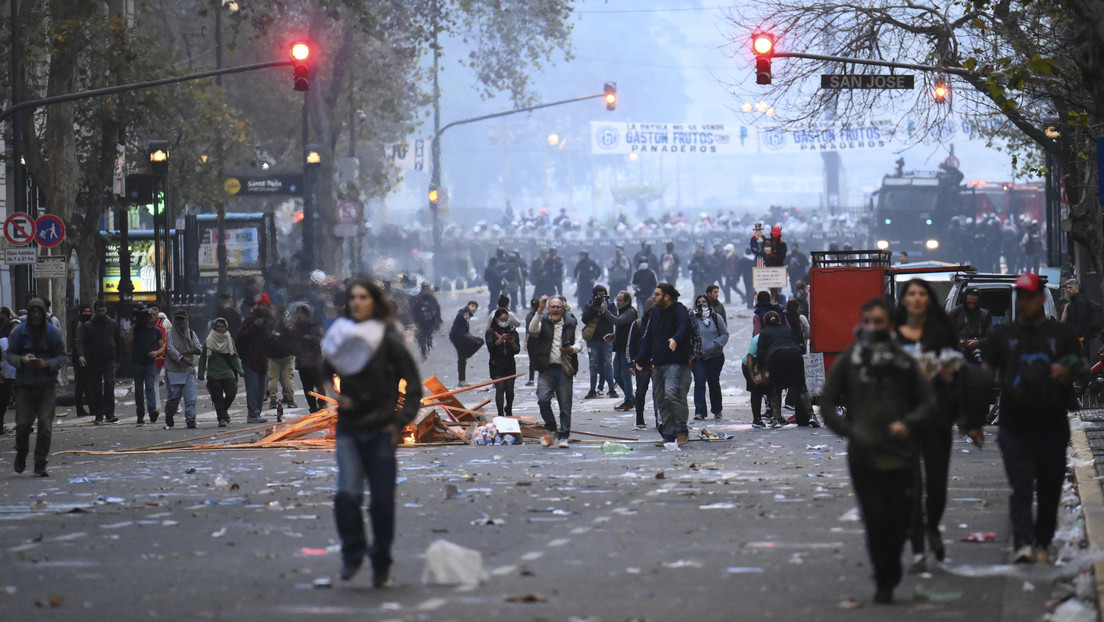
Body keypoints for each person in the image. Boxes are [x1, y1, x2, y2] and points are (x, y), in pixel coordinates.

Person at [820, 298, 935, 604]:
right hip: (864, 457)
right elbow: (827, 402)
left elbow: (928, 402)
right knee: (875, 519)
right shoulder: (851, 360)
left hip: (900, 456)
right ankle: (884, 580)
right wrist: (850, 431)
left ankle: (892, 565)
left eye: (879, 322)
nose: (872, 328)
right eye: (867, 321)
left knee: (898, 521)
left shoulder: (904, 362)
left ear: (891, 325)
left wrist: (908, 423)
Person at [320, 278, 423, 587]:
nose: (356, 302)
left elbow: (414, 385)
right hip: (350, 428)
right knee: (346, 495)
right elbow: (325, 370)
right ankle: (352, 553)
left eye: (363, 297)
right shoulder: (341, 334)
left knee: (381, 503)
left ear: (374, 301)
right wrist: (338, 397)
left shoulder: (387, 339)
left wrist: (399, 421)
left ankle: (381, 561)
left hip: (381, 428)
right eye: (352, 297)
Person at [983, 272, 1087, 564]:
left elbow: (1082, 367)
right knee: (1022, 486)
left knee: (1051, 487)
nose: (1025, 302)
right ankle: (1023, 542)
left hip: (1053, 426)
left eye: (1030, 296)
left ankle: (1042, 541)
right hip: (1014, 427)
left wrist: (1066, 367)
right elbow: (983, 371)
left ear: (1041, 299)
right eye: (1021, 297)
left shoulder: (1061, 335)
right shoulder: (1003, 335)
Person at [894, 278, 980, 571]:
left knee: (937, 486)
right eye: (911, 294)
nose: (916, 299)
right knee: (911, 487)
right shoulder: (893, 335)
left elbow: (959, 373)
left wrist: (966, 415)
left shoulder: (941, 332)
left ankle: (933, 526)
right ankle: (918, 548)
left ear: (928, 299)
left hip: (938, 418)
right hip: (904, 420)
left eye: (921, 294)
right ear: (904, 300)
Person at [7, 298, 67, 475]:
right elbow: (10, 354)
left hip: (46, 385)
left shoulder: (53, 333)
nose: (35, 315)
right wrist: (22, 360)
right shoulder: (19, 332)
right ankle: (22, 452)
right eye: (32, 312)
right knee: (23, 424)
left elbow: (62, 357)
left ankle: (40, 463)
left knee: (45, 426)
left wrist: (47, 364)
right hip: (25, 386)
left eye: (38, 312)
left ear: (43, 314)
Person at [634, 283, 696, 446]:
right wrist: (640, 359)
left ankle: (682, 430)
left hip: (675, 362)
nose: (653, 297)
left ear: (666, 296)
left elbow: (684, 327)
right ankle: (668, 434)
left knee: (671, 395)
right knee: (661, 399)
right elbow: (648, 337)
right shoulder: (655, 313)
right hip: (657, 363)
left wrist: (676, 339)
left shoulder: (679, 310)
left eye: (657, 294)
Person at [528, 295, 581, 448]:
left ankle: (564, 435)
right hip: (546, 368)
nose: (556, 310)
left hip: (564, 369)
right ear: (548, 308)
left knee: (565, 404)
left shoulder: (570, 323)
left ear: (563, 309)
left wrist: (572, 349)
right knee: (543, 399)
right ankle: (552, 428)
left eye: (559, 307)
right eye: (553, 307)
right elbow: (532, 329)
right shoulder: (543, 321)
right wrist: (539, 310)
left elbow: (579, 342)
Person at [758, 311, 814, 427]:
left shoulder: (764, 332)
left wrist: (762, 366)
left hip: (776, 357)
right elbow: (798, 341)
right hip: (795, 355)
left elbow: (760, 351)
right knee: (801, 387)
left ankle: (777, 417)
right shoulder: (787, 330)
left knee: (776, 388)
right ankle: (811, 415)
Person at [76, 300, 121, 424]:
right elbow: (81, 341)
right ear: (95, 311)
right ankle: (99, 414)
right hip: (94, 359)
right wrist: (82, 355)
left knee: (109, 384)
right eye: (99, 311)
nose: (101, 313)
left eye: (103, 310)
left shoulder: (112, 324)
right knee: (96, 387)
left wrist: (118, 360)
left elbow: (118, 341)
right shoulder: (88, 325)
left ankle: (110, 413)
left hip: (108, 358)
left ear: (106, 310)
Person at [198, 318, 243, 427]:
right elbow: (203, 357)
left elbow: (234, 356)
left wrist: (240, 369)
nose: (220, 328)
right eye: (218, 326)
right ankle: (221, 419)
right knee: (217, 397)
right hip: (213, 373)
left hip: (228, 372)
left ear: (226, 328)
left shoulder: (229, 340)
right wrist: (201, 372)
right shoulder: (209, 340)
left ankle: (222, 412)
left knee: (232, 392)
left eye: (222, 327)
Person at [690, 294, 728, 421]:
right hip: (698, 358)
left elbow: (724, 334)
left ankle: (717, 410)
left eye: (704, 301)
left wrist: (715, 345)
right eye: (699, 302)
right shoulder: (693, 319)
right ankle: (700, 411)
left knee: (713, 383)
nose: (701, 304)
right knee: (699, 382)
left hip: (715, 357)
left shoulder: (716, 318)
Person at [163, 309, 202, 429]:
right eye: (178, 319)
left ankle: (191, 420)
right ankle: (169, 414)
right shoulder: (170, 333)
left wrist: (190, 352)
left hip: (188, 370)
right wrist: (182, 358)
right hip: (174, 369)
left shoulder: (191, 333)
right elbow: (170, 348)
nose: (181, 322)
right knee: (174, 397)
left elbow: (199, 347)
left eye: (183, 319)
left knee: (190, 397)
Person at [126, 308, 163, 426]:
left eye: (153, 314)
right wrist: (134, 325)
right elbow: (127, 341)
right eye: (149, 315)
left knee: (150, 387)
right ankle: (140, 414)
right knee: (138, 390)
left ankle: (152, 410)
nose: (151, 316)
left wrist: (156, 352)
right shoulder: (138, 329)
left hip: (150, 363)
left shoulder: (156, 331)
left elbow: (162, 346)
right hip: (137, 362)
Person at [603, 290, 638, 413]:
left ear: (627, 301)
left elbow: (618, 321)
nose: (617, 303)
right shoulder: (623, 311)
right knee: (616, 375)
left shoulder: (630, 312)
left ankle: (628, 400)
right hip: (619, 347)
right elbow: (623, 329)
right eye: (616, 300)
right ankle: (631, 397)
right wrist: (613, 335)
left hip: (627, 349)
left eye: (620, 300)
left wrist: (605, 310)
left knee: (625, 375)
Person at [581, 285, 616, 399]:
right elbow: (584, 319)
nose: (600, 296)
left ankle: (611, 388)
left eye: (603, 294)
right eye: (598, 294)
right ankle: (592, 389)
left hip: (606, 339)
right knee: (593, 365)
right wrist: (594, 308)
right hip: (593, 340)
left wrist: (605, 310)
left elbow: (615, 319)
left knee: (608, 364)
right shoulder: (589, 305)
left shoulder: (610, 305)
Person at [485, 307, 520, 417]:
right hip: (496, 365)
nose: (504, 322)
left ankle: (508, 409)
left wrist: (512, 342)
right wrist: (500, 340)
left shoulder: (513, 332)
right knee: (499, 389)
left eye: (506, 320)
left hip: (509, 364)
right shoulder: (491, 332)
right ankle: (500, 413)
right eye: (501, 320)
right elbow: (491, 348)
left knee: (509, 391)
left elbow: (517, 350)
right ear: (496, 319)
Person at [292, 304, 324, 412]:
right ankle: (313, 408)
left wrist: (310, 338)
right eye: (298, 313)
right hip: (302, 362)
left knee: (319, 385)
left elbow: (319, 339)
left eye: (302, 313)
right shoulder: (296, 327)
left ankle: (322, 405)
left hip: (314, 361)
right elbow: (292, 342)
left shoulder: (314, 325)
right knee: (307, 387)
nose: (300, 316)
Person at [265, 305, 298, 409]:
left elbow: (267, 338)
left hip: (273, 356)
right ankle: (290, 399)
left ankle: (273, 399)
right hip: (287, 356)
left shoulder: (271, 324)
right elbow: (293, 338)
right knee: (287, 377)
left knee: (273, 378)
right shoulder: (288, 324)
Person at [949, 287, 992, 362]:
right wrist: (959, 341)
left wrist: (978, 342)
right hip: (958, 356)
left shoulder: (985, 315)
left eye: (975, 303)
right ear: (965, 301)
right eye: (969, 303)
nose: (971, 306)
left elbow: (991, 338)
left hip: (979, 356)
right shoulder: (955, 313)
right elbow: (946, 334)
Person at [1061, 279, 1097, 358]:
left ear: (1076, 287)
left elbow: (1081, 320)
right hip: (1076, 338)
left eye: (1070, 287)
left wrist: (1078, 336)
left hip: (1081, 337)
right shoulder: (1071, 303)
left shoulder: (1081, 301)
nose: (1068, 290)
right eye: (1067, 288)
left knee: (1083, 359)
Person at [449, 301, 482, 388]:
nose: (473, 308)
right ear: (468, 306)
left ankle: (462, 380)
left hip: (460, 336)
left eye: (475, 307)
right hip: (458, 337)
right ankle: (462, 380)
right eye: (472, 306)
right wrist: (465, 315)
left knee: (463, 357)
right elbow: (461, 314)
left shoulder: (468, 313)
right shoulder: (465, 311)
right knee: (479, 341)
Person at [69, 304, 93, 418]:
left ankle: (89, 407)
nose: (87, 314)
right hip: (80, 357)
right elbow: (77, 340)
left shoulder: (86, 323)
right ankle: (82, 407)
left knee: (86, 383)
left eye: (89, 311)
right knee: (82, 383)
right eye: (85, 312)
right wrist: (80, 355)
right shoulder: (79, 323)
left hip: (85, 355)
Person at [742, 333, 771, 428]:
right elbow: (749, 358)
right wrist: (753, 378)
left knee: (771, 388)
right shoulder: (756, 340)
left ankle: (774, 414)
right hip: (751, 366)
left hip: (765, 365)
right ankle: (756, 419)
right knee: (756, 390)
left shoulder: (779, 337)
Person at [410, 283, 443, 360]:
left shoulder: (432, 299)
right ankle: (423, 351)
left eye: (427, 289)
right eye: (425, 289)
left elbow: (437, 309)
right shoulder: (418, 300)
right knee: (421, 337)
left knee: (428, 335)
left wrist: (437, 319)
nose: (426, 291)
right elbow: (414, 311)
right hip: (421, 322)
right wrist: (415, 320)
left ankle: (428, 344)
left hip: (430, 322)